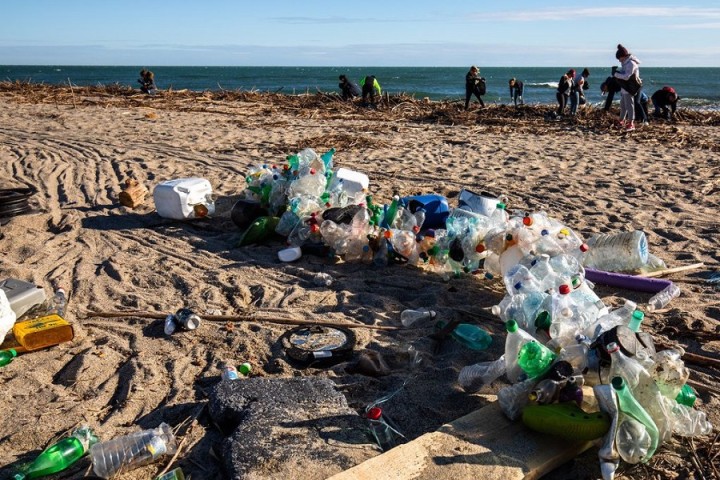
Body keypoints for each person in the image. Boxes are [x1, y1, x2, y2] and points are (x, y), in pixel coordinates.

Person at [613, 44, 641, 131]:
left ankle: (631, 123)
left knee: (629, 105)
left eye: (619, 58)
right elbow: (623, 74)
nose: (619, 60)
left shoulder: (631, 63)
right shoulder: (626, 63)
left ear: (623, 56)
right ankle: (621, 120)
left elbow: (627, 76)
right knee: (623, 105)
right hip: (625, 87)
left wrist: (616, 74)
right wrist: (617, 73)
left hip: (630, 87)